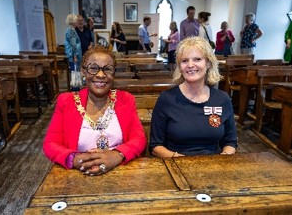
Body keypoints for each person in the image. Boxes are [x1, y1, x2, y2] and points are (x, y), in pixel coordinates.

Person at [42, 45, 146, 174]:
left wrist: (117, 155)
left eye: (107, 69)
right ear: (83, 71)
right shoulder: (66, 101)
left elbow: (139, 138)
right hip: (78, 173)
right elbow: (50, 144)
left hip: (119, 170)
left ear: (114, 73)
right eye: (93, 68)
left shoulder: (126, 99)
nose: (101, 75)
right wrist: (75, 159)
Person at [150, 37, 237, 157]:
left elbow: (230, 142)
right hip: (176, 162)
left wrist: (223, 159)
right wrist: (183, 161)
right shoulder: (166, 99)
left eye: (197, 59)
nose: (190, 65)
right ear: (180, 67)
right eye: (184, 61)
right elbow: (156, 146)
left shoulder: (222, 99)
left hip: (214, 164)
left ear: (208, 63)